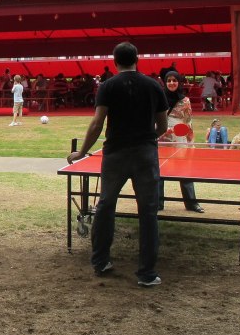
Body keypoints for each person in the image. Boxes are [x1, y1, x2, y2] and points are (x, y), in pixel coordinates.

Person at [66, 42, 169, 287]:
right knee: (148, 212)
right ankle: (147, 273)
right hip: (145, 155)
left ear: (114, 62)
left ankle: (100, 262)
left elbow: (97, 123)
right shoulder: (154, 85)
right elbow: (163, 126)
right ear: (137, 59)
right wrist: (146, 139)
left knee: (105, 205)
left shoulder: (108, 86)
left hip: (115, 154)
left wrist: (82, 151)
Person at [160, 71, 203, 213]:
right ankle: (158, 203)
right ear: (165, 82)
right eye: (169, 80)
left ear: (179, 82)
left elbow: (188, 122)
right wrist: (160, 131)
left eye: (174, 80)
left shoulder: (185, 101)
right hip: (162, 138)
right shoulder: (159, 98)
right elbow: (153, 118)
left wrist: (190, 143)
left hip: (179, 139)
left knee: (184, 170)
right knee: (159, 171)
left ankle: (191, 203)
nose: (171, 83)